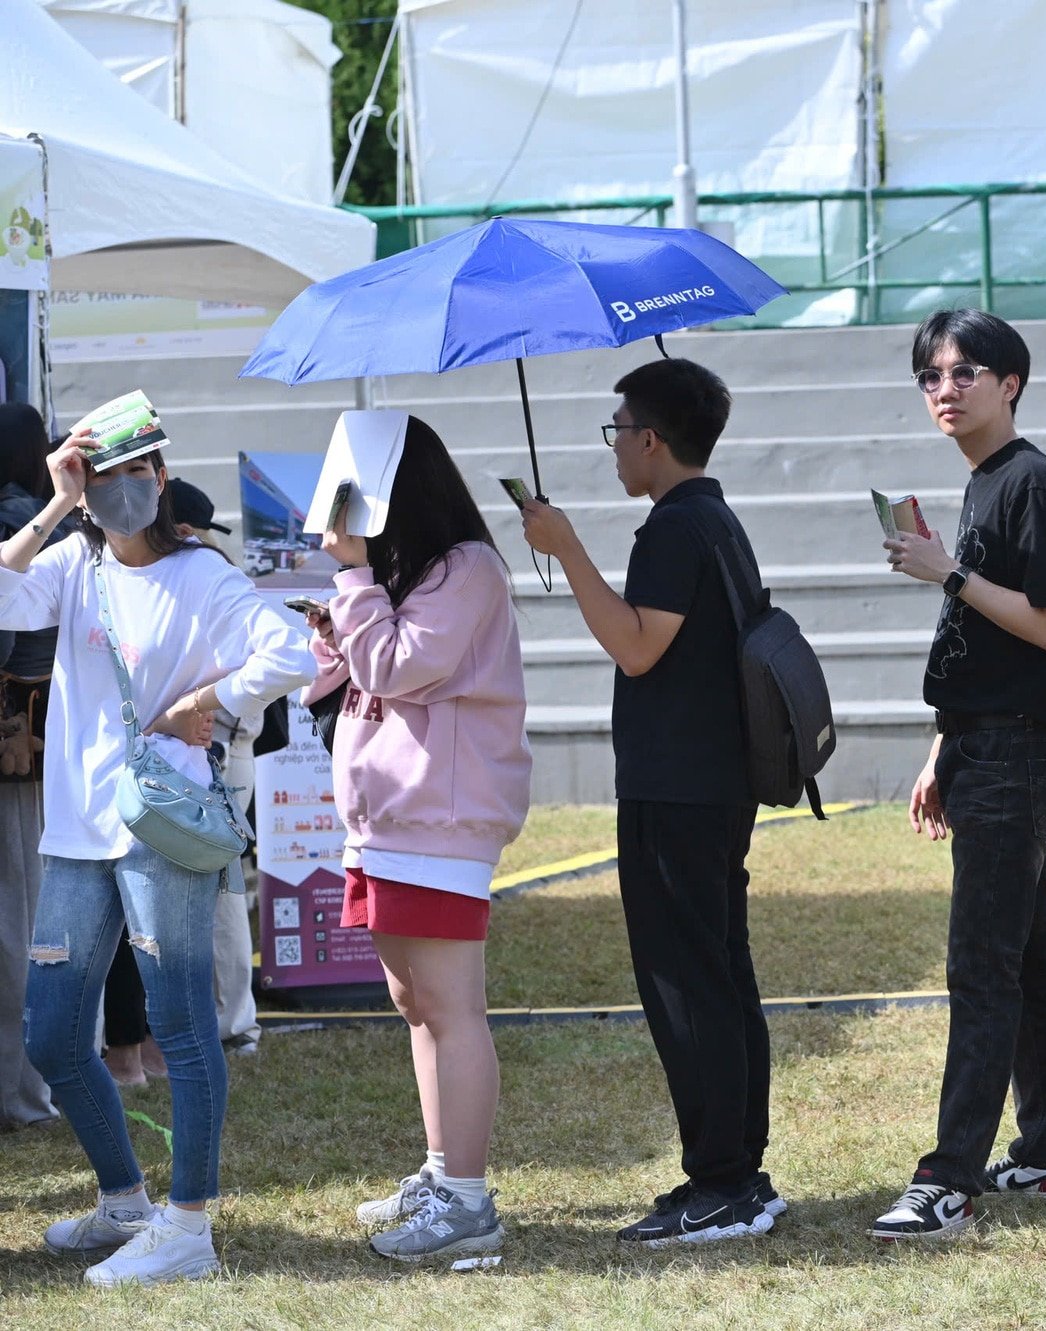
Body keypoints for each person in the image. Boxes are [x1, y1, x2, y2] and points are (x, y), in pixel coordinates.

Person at [0, 427, 313, 1286]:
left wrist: (210, 699)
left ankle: (189, 1225)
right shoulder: (73, 562)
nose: (120, 488)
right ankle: (125, 1202)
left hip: (160, 828)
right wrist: (60, 501)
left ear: (163, 476)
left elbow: (294, 648)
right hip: (75, 831)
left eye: (136, 471)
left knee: (177, 1021)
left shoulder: (202, 572)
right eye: (103, 474)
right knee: (54, 1033)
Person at [521, 358, 783, 1245]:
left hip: (680, 789)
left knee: (686, 982)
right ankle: (737, 1170)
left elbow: (637, 646)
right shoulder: (716, 519)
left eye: (620, 429)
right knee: (720, 972)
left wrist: (567, 549)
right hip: (707, 783)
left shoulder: (674, 529)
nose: (615, 447)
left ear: (653, 438)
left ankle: (722, 1180)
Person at [870, 309, 1046, 1241]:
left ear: (1011, 383)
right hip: (988, 742)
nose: (944, 389)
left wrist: (947, 574)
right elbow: (984, 647)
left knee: (981, 965)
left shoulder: (1032, 481)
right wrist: (940, 749)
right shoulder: (983, 481)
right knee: (1028, 955)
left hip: (1023, 748)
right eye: (930, 376)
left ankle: (947, 1178)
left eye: (964, 372)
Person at [304, 415, 530, 1263]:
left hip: (440, 815)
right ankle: (444, 1172)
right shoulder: (404, 570)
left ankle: (468, 1204)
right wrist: (340, 614)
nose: (344, 519)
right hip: (392, 818)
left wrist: (356, 579)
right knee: (415, 1005)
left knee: (449, 1006)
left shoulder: (467, 568)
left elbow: (401, 666)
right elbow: (358, 669)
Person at [166, 477, 262, 1057]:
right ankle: (231, 1022)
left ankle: (226, 1023)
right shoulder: (223, 573)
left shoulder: (199, 579)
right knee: (220, 888)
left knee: (213, 891)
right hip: (225, 751)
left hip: (212, 750)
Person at [0, 403, 68, 1128]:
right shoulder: (42, 519)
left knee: (15, 923)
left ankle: (22, 1091)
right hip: (33, 751)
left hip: (15, 750)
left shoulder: (16, 520)